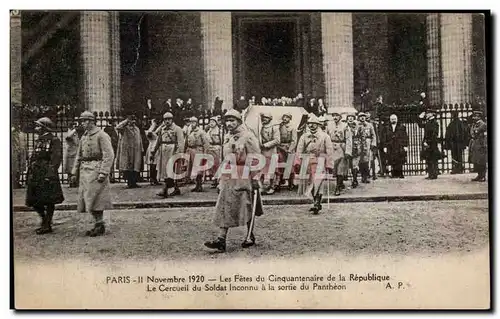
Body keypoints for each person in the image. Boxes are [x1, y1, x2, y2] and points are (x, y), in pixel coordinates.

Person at [204, 109, 263, 252]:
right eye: (227, 121)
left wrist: (255, 177)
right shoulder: (229, 137)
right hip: (230, 175)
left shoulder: (248, 136)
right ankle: (221, 239)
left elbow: (256, 158)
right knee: (225, 205)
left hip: (244, 175)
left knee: (247, 206)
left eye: (233, 121)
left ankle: (249, 235)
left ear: (239, 122)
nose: (229, 124)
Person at [71, 111, 114, 237]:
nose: (83, 123)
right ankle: (98, 223)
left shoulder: (101, 135)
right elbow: (79, 155)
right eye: (82, 121)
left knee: (97, 199)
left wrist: (103, 172)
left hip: (96, 169)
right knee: (87, 200)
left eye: (84, 121)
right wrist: (74, 171)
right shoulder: (84, 136)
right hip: (85, 170)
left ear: (91, 121)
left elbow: (109, 155)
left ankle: (99, 224)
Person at [25, 117, 64, 234]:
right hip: (36, 173)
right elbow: (33, 157)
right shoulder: (39, 140)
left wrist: (50, 174)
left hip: (46, 172)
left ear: (44, 127)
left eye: (38, 126)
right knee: (34, 200)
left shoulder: (54, 140)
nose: (36, 129)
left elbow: (56, 158)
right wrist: (29, 171)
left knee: (49, 200)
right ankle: (44, 219)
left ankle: (47, 224)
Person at [296, 114, 333, 214]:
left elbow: (329, 151)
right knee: (310, 183)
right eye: (310, 124)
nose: (312, 126)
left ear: (318, 125)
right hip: (307, 162)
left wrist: (329, 165)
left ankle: (317, 202)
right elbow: (299, 149)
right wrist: (298, 162)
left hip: (320, 161)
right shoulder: (304, 137)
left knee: (318, 183)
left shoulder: (325, 136)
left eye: (314, 124)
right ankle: (315, 201)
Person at [152, 112, 185, 197]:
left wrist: (178, 153)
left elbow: (181, 143)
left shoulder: (177, 129)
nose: (167, 121)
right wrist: (153, 151)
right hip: (163, 152)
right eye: (165, 119)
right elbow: (158, 141)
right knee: (165, 171)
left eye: (169, 119)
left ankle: (165, 189)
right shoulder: (162, 129)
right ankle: (175, 189)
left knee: (172, 170)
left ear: (172, 119)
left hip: (173, 151)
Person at [116, 115, 143, 188]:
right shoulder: (124, 129)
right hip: (127, 150)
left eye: (134, 120)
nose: (133, 122)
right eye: (132, 120)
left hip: (136, 151)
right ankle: (129, 183)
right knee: (128, 167)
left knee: (135, 167)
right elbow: (118, 127)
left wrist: (142, 148)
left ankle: (134, 182)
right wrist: (126, 121)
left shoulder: (137, 129)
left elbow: (139, 139)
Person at [325, 112, 349, 195]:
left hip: (341, 147)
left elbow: (348, 139)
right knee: (334, 168)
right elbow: (326, 137)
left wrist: (348, 151)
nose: (335, 117)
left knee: (340, 168)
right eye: (333, 115)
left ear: (340, 117)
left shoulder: (345, 126)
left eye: (337, 116)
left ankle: (337, 187)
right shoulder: (329, 125)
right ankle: (340, 182)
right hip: (331, 147)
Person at [186, 116, 210, 192]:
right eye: (191, 122)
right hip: (190, 150)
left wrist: (205, 154)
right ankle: (196, 185)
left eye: (194, 122)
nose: (192, 124)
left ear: (196, 123)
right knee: (192, 169)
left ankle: (199, 185)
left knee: (199, 169)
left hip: (198, 150)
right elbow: (186, 141)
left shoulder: (201, 132)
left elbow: (206, 143)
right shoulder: (189, 131)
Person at [259, 112, 280, 195]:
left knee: (272, 170)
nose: (264, 119)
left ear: (270, 119)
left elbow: (277, 140)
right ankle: (262, 187)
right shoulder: (260, 127)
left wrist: (266, 145)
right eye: (263, 117)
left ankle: (272, 186)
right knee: (262, 169)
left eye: (266, 117)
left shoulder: (274, 127)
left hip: (271, 151)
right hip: (262, 151)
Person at [382, 114, 409, 178]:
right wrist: (384, 146)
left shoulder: (402, 127)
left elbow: (405, 137)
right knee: (392, 160)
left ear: (397, 119)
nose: (393, 120)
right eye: (392, 119)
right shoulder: (386, 127)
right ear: (390, 120)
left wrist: (405, 146)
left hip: (399, 145)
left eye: (394, 119)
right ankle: (394, 173)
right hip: (390, 146)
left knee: (400, 160)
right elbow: (384, 138)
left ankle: (400, 173)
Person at [278, 113, 298, 190]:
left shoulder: (293, 128)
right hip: (280, 147)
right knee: (280, 165)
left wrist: (290, 149)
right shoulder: (279, 126)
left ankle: (291, 183)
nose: (285, 119)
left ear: (290, 119)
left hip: (289, 147)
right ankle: (279, 182)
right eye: (284, 117)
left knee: (290, 166)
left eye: (287, 117)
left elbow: (294, 140)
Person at [419, 110, 440, 180]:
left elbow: (434, 135)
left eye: (427, 113)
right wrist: (420, 118)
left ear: (431, 114)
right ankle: (431, 174)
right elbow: (420, 125)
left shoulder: (434, 123)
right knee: (429, 159)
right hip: (429, 144)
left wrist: (428, 142)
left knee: (432, 159)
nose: (426, 114)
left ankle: (433, 174)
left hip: (432, 144)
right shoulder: (428, 122)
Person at [356, 112, 377, 183]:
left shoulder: (369, 125)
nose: (362, 118)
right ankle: (363, 176)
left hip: (367, 143)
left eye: (363, 116)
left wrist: (373, 143)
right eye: (361, 116)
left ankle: (367, 176)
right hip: (359, 143)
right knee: (360, 161)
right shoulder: (356, 125)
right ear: (358, 118)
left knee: (367, 161)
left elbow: (373, 135)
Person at [468, 111, 487, 181]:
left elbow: (481, 134)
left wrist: (484, 145)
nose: (474, 117)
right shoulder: (474, 124)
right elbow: (472, 133)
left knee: (481, 161)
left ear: (479, 117)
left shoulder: (482, 124)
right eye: (474, 116)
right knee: (476, 161)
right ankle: (479, 175)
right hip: (475, 144)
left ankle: (483, 176)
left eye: (475, 116)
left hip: (480, 144)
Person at [64, 123, 84, 188]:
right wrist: (74, 130)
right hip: (71, 154)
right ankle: (71, 182)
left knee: (76, 169)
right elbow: (68, 137)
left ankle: (76, 182)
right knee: (70, 169)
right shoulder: (71, 133)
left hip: (76, 153)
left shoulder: (78, 134)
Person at [206, 116, 222, 188]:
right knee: (211, 165)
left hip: (216, 147)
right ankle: (214, 179)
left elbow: (222, 140)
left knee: (217, 164)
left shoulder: (219, 130)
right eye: (210, 122)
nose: (211, 123)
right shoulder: (209, 131)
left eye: (213, 122)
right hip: (210, 148)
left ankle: (218, 180)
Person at [345, 114, 360, 188]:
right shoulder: (345, 127)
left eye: (352, 118)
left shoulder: (357, 127)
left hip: (355, 147)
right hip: (347, 147)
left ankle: (355, 179)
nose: (350, 120)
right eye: (349, 118)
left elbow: (361, 136)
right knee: (349, 164)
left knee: (355, 165)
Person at [102, 118, 119, 183]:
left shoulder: (110, 129)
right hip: (111, 147)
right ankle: (110, 177)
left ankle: (111, 177)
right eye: (115, 122)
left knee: (111, 163)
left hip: (113, 147)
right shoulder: (109, 129)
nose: (116, 123)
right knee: (110, 163)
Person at [145, 118, 160, 185]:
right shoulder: (149, 132)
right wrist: (153, 124)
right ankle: (152, 179)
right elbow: (149, 133)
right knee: (152, 164)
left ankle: (154, 179)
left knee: (155, 164)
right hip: (152, 148)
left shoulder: (155, 132)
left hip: (156, 148)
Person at [12, 124, 27, 189]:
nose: (18, 126)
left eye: (19, 125)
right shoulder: (11, 133)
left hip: (22, 152)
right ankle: (13, 182)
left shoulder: (22, 134)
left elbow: (25, 143)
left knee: (20, 168)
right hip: (14, 152)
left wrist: (26, 153)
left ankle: (17, 182)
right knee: (14, 168)